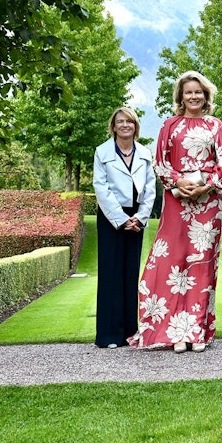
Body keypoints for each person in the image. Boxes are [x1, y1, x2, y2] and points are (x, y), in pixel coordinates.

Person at [128, 71, 222, 353]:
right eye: (188, 92)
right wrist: (180, 183)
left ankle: (196, 331)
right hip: (176, 202)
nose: (194, 96)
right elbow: (160, 162)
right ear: (180, 97)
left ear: (206, 95)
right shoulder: (170, 125)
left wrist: (204, 187)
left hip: (207, 205)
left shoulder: (215, 125)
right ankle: (174, 331)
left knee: (201, 264)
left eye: (198, 92)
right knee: (169, 263)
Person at [92, 107, 156, 349]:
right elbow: (101, 188)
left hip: (136, 217)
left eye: (129, 121)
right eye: (120, 122)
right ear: (114, 126)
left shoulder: (144, 153)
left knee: (130, 275)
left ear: (135, 125)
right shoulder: (102, 152)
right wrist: (120, 219)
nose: (125, 125)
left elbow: (150, 188)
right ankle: (109, 335)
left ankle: (130, 331)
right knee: (111, 274)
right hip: (112, 218)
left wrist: (139, 218)